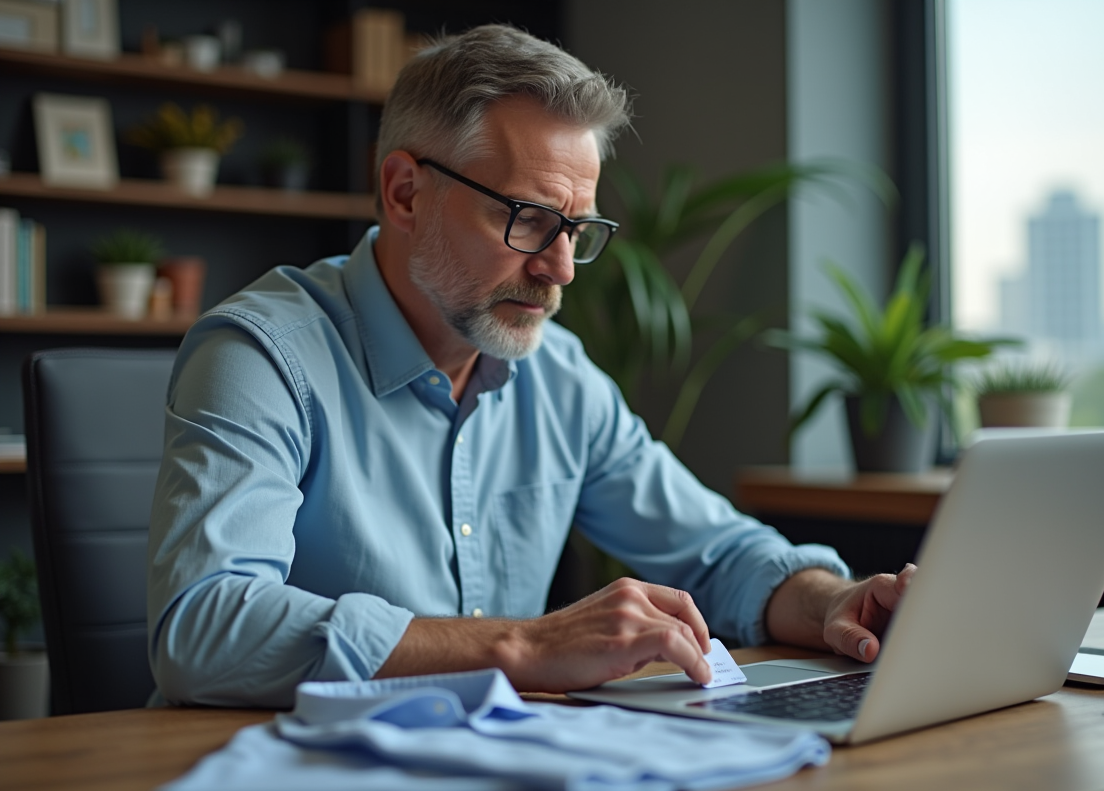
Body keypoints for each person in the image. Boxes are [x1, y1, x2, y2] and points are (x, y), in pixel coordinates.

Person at [147, 24, 915, 708]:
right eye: (527, 219)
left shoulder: (560, 376)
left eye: (576, 229)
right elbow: (205, 627)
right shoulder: (260, 356)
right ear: (406, 192)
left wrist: (835, 603)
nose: (561, 269)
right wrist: (526, 649)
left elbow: (722, 554)